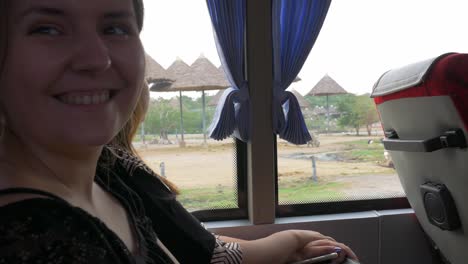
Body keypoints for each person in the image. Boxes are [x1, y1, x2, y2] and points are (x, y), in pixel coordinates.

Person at [0, 0, 359, 263]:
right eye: (46, 28)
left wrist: (287, 242)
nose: (96, 57)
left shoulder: (107, 184)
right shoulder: (33, 238)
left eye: (115, 27)